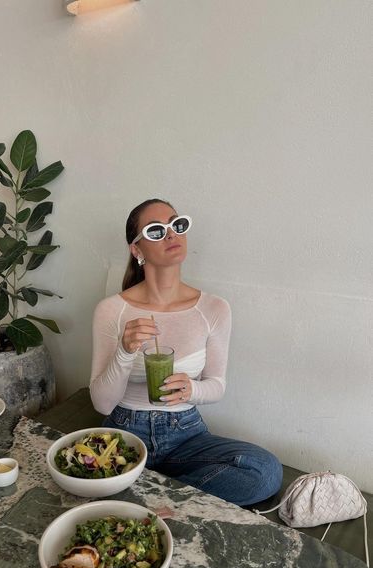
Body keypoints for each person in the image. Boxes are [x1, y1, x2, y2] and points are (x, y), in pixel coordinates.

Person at [89, 198, 282, 506]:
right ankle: (150, 497)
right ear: (136, 250)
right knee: (78, 471)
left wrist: (191, 389)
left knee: (264, 471)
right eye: (155, 230)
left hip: (185, 434)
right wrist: (125, 352)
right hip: (124, 432)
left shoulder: (214, 308)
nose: (171, 234)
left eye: (177, 225)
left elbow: (216, 385)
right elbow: (102, 403)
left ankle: (148, 501)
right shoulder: (112, 310)